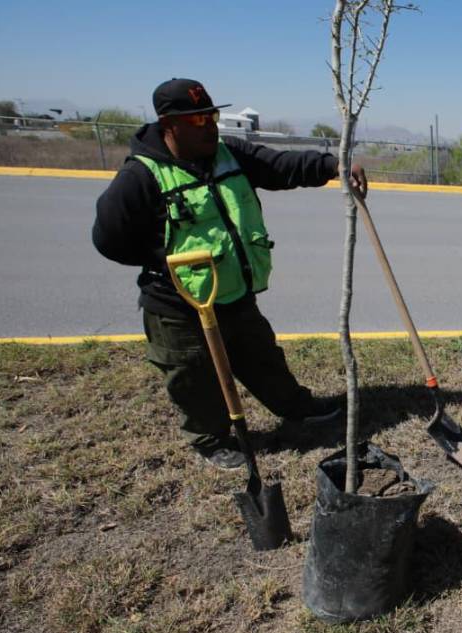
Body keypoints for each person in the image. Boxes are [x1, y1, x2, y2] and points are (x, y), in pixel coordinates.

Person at [93, 78, 368, 470]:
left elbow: (278, 166)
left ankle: (297, 408)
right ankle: (210, 440)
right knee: (194, 377)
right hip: (178, 304)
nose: (209, 126)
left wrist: (333, 165)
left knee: (261, 357)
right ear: (169, 125)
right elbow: (109, 239)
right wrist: (166, 261)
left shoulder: (229, 154)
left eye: (212, 115)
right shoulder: (141, 176)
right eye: (198, 120)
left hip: (234, 292)